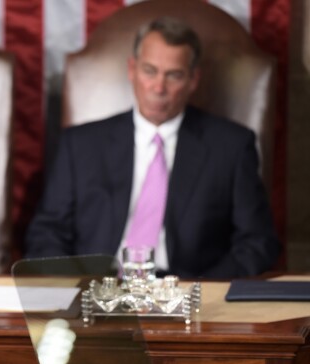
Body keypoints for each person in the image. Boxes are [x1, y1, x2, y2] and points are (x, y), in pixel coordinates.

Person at [25, 17, 280, 279]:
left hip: (187, 295)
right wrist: (73, 290)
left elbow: (257, 243)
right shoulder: (80, 145)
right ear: (132, 70)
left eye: (174, 75)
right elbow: (47, 233)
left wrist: (203, 293)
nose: (159, 88)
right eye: (150, 71)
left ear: (193, 80)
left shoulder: (232, 147)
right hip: (97, 291)